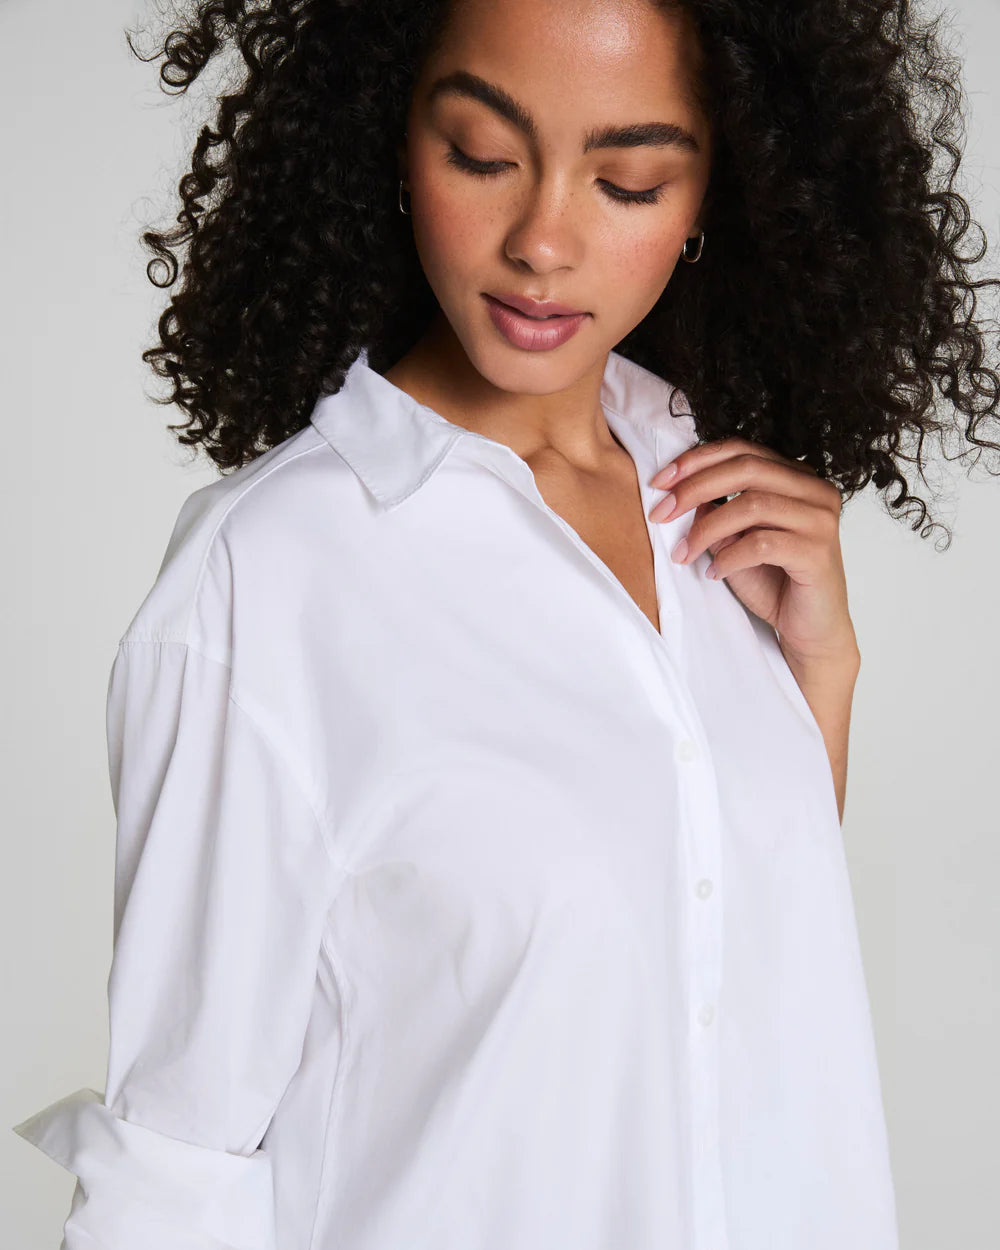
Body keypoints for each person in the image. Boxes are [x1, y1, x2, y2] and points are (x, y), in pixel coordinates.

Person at [13, 1, 1000, 1248]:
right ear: (392, 142)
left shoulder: (712, 511)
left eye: (628, 181)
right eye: (482, 156)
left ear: (715, 193)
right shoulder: (266, 577)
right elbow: (176, 1169)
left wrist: (821, 671)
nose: (542, 240)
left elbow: (722, 976)